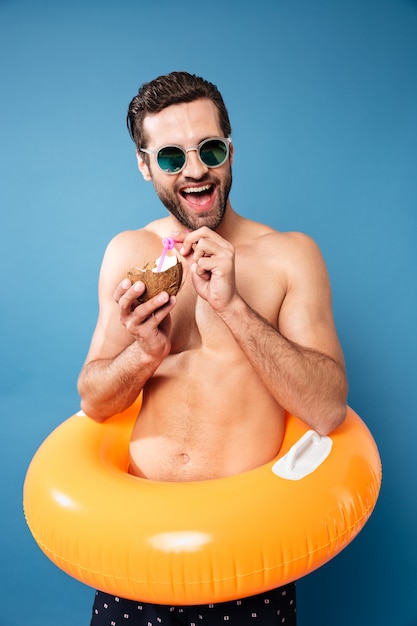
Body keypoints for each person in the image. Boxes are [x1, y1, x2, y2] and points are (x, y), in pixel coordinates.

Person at [78, 71, 348, 626]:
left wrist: (233, 308)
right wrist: (144, 354)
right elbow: (95, 401)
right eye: (173, 157)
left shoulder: (289, 256)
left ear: (230, 150)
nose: (196, 169)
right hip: (137, 550)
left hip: (249, 556)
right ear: (145, 165)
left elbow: (326, 409)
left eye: (210, 149)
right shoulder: (129, 254)